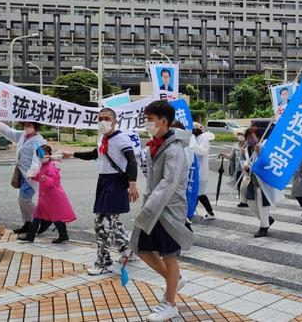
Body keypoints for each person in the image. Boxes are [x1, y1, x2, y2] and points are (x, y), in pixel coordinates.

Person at [130, 100, 195, 321]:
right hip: (154, 206)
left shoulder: (175, 148)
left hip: (168, 210)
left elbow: (168, 184)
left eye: (150, 119)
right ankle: (175, 279)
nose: (146, 123)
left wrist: (146, 211)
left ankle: (170, 304)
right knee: (142, 249)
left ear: (163, 121)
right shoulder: (154, 144)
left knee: (169, 256)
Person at [62, 108, 139, 275]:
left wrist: (132, 183)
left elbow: (132, 161)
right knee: (113, 221)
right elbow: (94, 154)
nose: (103, 121)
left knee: (102, 224)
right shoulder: (103, 138)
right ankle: (128, 250)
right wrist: (72, 154)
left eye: (107, 118)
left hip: (116, 182)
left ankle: (104, 262)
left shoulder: (121, 138)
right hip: (103, 181)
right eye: (100, 118)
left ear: (114, 121)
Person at [0, 120, 46, 234]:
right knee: (22, 200)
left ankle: (41, 219)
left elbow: (38, 158)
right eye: (25, 125)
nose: (26, 127)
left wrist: (33, 172)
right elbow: (9, 131)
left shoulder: (39, 141)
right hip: (21, 172)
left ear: (36, 127)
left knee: (24, 200)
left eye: (29, 125)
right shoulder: (22, 136)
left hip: (31, 175)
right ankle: (28, 223)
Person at [18, 145, 76, 243]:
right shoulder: (44, 165)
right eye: (40, 155)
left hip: (52, 197)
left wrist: (46, 179)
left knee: (56, 217)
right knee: (37, 216)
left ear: (49, 154)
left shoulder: (51, 166)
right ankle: (30, 236)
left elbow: (55, 181)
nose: (42, 157)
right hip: (45, 198)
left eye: (45, 154)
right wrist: (33, 177)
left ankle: (63, 236)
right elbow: (41, 177)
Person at [241, 127, 275, 237]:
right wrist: (246, 167)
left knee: (263, 206)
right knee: (251, 203)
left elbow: (268, 163)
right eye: (248, 138)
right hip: (252, 180)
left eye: (252, 137)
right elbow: (248, 162)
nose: (250, 140)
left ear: (259, 137)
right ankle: (267, 220)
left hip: (263, 181)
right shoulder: (248, 149)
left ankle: (264, 228)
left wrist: (260, 153)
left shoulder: (264, 147)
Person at [170, 121, 197, 230]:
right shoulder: (181, 146)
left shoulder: (184, 147)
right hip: (176, 186)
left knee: (176, 211)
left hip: (176, 186)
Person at [191, 122, 216, 220]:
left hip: (201, 172)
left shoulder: (203, 139)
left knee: (197, 194)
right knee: (200, 194)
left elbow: (203, 152)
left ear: (196, 130)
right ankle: (210, 213)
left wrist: (193, 145)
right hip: (197, 171)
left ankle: (189, 214)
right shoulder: (197, 138)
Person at [221, 130, 248, 208]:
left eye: (241, 134)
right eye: (239, 134)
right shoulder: (236, 145)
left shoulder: (248, 145)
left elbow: (251, 157)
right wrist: (225, 155)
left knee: (245, 185)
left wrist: (245, 153)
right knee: (239, 185)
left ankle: (247, 200)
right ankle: (242, 201)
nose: (240, 136)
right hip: (238, 169)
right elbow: (232, 157)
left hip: (246, 169)